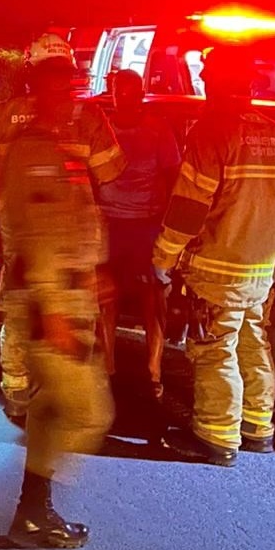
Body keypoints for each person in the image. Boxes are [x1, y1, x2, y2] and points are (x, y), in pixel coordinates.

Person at [0, 38, 127, 548]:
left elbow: (63, 215)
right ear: (39, 86)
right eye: (57, 83)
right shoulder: (40, 147)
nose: (67, 93)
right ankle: (35, 507)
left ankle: (34, 512)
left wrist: (90, 271)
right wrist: (54, 308)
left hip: (60, 287)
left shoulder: (54, 137)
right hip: (50, 297)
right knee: (88, 412)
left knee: (49, 404)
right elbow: (40, 231)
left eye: (69, 83)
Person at [152, 45, 275, 467]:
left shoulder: (212, 132)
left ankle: (217, 436)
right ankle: (257, 427)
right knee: (253, 342)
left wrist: (163, 257)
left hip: (219, 267)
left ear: (212, 82)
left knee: (215, 349)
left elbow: (188, 209)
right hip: (261, 266)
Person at [96, 69, 181, 399]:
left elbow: (173, 175)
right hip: (109, 224)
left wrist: (170, 226)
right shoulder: (102, 128)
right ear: (113, 93)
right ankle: (108, 368)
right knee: (106, 297)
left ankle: (154, 371)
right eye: (120, 91)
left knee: (153, 299)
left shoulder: (157, 129)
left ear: (142, 93)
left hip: (147, 226)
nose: (126, 97)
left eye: (133, 91)